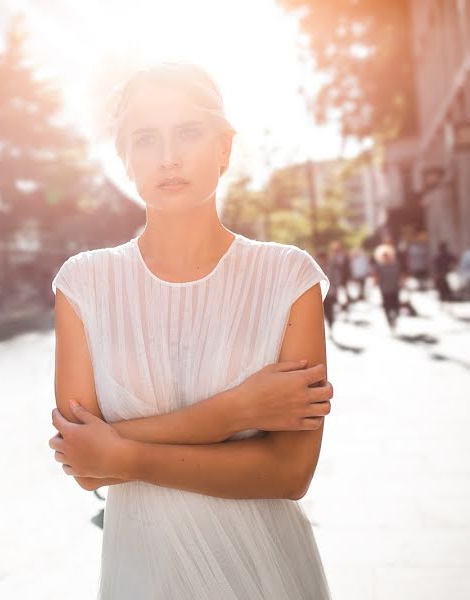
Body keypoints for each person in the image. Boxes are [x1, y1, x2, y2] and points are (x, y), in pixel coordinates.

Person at [48, 63, 332, 598]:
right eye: (146, 139)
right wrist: (237, 412)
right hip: (142, 576)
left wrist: (124, 453)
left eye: (189, 132)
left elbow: (289, 472)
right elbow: (86, 466)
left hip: (266, 574)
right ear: (125, 161)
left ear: (224, 149)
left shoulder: (290, 278)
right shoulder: (83, 284)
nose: (168, 157)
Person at [373, 243, 404, 333]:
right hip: (385, 289)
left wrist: (402, 282)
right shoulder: (379, 266)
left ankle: (394, 317)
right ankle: (390, 321)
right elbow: (376, 277)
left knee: (396, 305)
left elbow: (401, 274)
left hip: (395, 288)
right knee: (387, 306)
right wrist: (376, 282)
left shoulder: (396, 264)